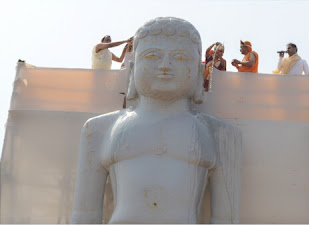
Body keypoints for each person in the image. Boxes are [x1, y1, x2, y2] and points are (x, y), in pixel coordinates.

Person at [71, 17, 241, 224]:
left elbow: (226, 217)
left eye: (179, 57)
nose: (165, 66)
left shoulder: (222, 135)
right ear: (133, 70)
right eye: (152, 56)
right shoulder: (99, 129)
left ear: (198, 72)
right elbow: (84, 213)